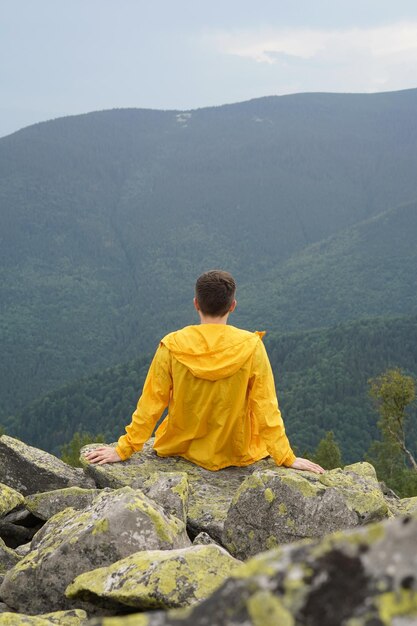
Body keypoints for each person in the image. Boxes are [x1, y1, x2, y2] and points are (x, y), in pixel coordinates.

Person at [85, 270, 324, 474]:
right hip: (236, 451)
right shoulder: (251, 346)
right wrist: (286, 457)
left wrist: (123, 449)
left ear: (196, 304)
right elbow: (266, 407)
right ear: (233, 306)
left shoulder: (172, 345)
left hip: (181, 446)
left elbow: (151, 404)